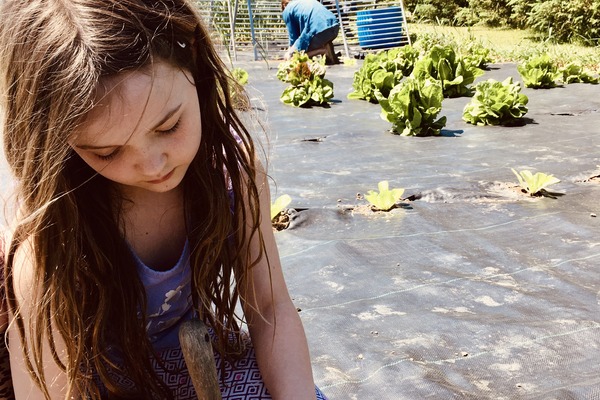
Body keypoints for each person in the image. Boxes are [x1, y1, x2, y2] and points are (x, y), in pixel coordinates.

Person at [0, 0, 328, 399]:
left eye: (170, 126)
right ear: (59, 144)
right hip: (94, 379)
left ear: (191, 58)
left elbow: (270, 309)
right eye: (107, 153)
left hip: (192, 357)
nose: (154, 165)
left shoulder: (233, 176)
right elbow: (46, 389)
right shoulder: (46, 237)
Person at [282, 0, 340, 64]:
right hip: (334, 26)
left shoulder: (287, 10)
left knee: (295, 56)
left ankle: (322, 50)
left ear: (284, 6)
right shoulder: (302, 3)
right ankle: (326, 46)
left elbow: (293, 38)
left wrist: (289, 53)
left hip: (319, 31)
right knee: (305, 42)